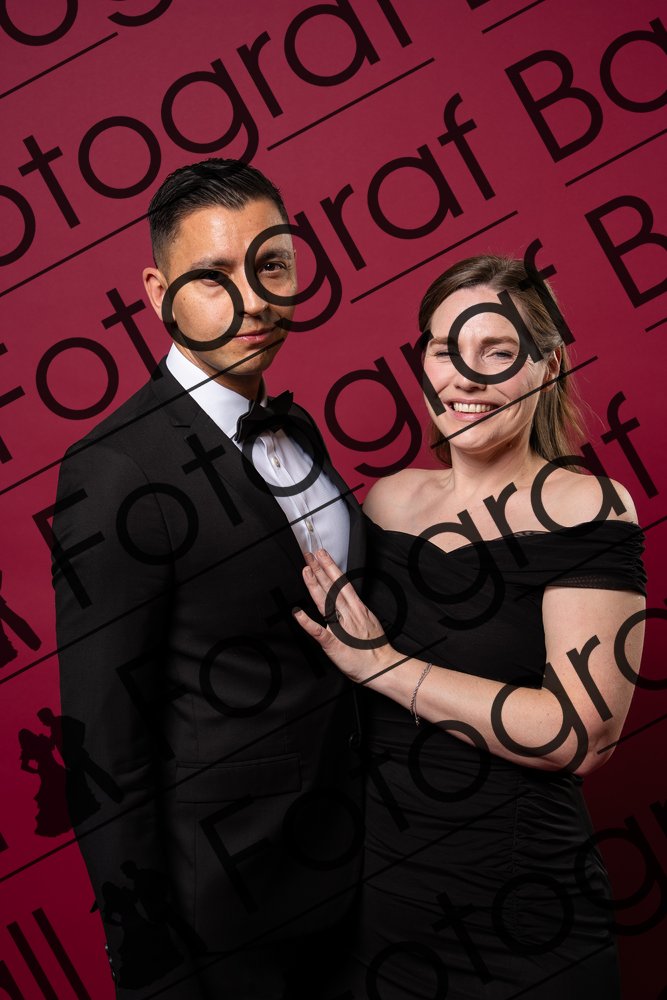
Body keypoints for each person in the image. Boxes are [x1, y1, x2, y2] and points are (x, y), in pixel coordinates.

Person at [52, 159, 364, 1000]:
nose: (253, 300)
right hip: (226, 917)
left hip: (363, 881)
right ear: (159, 293)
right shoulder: (114, 470)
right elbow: (102, 744)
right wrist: (153, 971)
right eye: (214, 276)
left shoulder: (294, 427)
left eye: (271, 266)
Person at [295, 255, 646, 999]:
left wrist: (386, 666)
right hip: (378, 916)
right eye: (445, 349)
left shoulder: (586, 507)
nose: (466, 377)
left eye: (498, 352)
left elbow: (579, 734)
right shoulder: (387, 501)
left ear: (548, 366)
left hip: (522, 921)